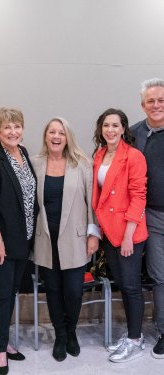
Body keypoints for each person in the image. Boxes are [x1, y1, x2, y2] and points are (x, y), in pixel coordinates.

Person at [31, 117, 100, 362]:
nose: (56, 136)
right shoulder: (35, 163)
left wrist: (94, 234)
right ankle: (60, 335)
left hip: (76, 239)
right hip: (45, 239)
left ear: (67, 137)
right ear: (46, 136)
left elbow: (92, 204)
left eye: (61, 132)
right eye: (52, 132)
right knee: (53, 290)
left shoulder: (82, 164)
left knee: (72, 291)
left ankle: (71, 333)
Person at [0, 107, 38, 375]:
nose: (13, 132)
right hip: (1, 243)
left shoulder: (22, 153)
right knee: (1, 296)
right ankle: (1, 352)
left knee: (11, 292)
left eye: (17, 126)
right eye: (7, 127)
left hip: (22, 239)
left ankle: (2, 341)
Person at [92, 108, 148, 363]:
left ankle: (135, 340)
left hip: (128, 232)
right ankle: (132, 334)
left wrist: (128, 236)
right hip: (108, 231)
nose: (111, 130)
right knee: (122, 286)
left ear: (124, 128)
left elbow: (138, 197)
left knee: (131, 287)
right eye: (106, 125)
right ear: (101, 129)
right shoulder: (100, 154)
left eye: (115, 125)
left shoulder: (133, 156)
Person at [131, 78, 164, 359]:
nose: (156, 105)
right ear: (143, 106)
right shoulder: (133, 134)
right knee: (159, 276)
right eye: (151, 101)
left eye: (161, 100)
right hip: (151, 215)